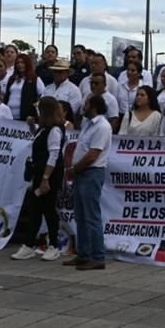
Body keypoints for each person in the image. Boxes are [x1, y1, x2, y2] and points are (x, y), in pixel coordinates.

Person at [11, 97, 67, 262]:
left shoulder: (55, 130)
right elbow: (38, 138)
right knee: (36, 209)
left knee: (48, 210)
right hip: (40, 172)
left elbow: (54, 155)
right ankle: (29, 244)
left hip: (49, 175)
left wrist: (45, 178)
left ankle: (54, 245)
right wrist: (31, 125)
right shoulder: (44, 129)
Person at [68, 94, 112, 270]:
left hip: (91, 173)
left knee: (92, 216)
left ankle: (97, 256)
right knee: (80, 215)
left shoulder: (102, 126)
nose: (83, 107)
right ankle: (83, 253)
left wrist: (75, 168)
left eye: (86, 104)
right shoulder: (87, 124)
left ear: (93, 106)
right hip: (81, 173)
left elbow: (93, 154)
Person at [5, 54, 45, 121]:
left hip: (26, 118)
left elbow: (43, 95)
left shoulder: (35, 79)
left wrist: (37, 105)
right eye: (18, 63)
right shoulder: (11, 79)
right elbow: (7, 96)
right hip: (9, 117)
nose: (20, 65)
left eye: (22, 62)